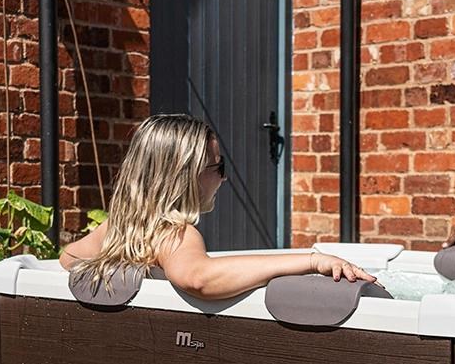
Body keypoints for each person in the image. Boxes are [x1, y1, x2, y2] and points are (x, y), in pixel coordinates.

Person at [60, 114, 374, 299]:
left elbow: (68, 258)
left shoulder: (118, 229)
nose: (224, 178)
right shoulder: (175, 235)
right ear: (184, 176)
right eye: (218, 167)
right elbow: (200, 278)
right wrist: (312, 261)